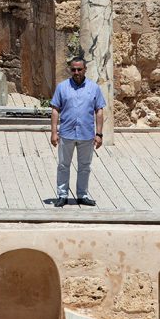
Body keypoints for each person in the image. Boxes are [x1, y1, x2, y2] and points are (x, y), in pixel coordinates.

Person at [50, 55, 106, 207]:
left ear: (85, 70)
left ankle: (82, 195)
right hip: (66, 133)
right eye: (73, 69)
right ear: (70, 70)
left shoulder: (94, 88)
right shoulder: (62, 87)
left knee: (84, 166)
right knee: (63, 165)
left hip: (86, 134)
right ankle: (62, 195)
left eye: (79, 69)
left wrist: (99, 134)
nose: (76, 72)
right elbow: (55, 109)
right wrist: (54, 132)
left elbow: (99, 110)